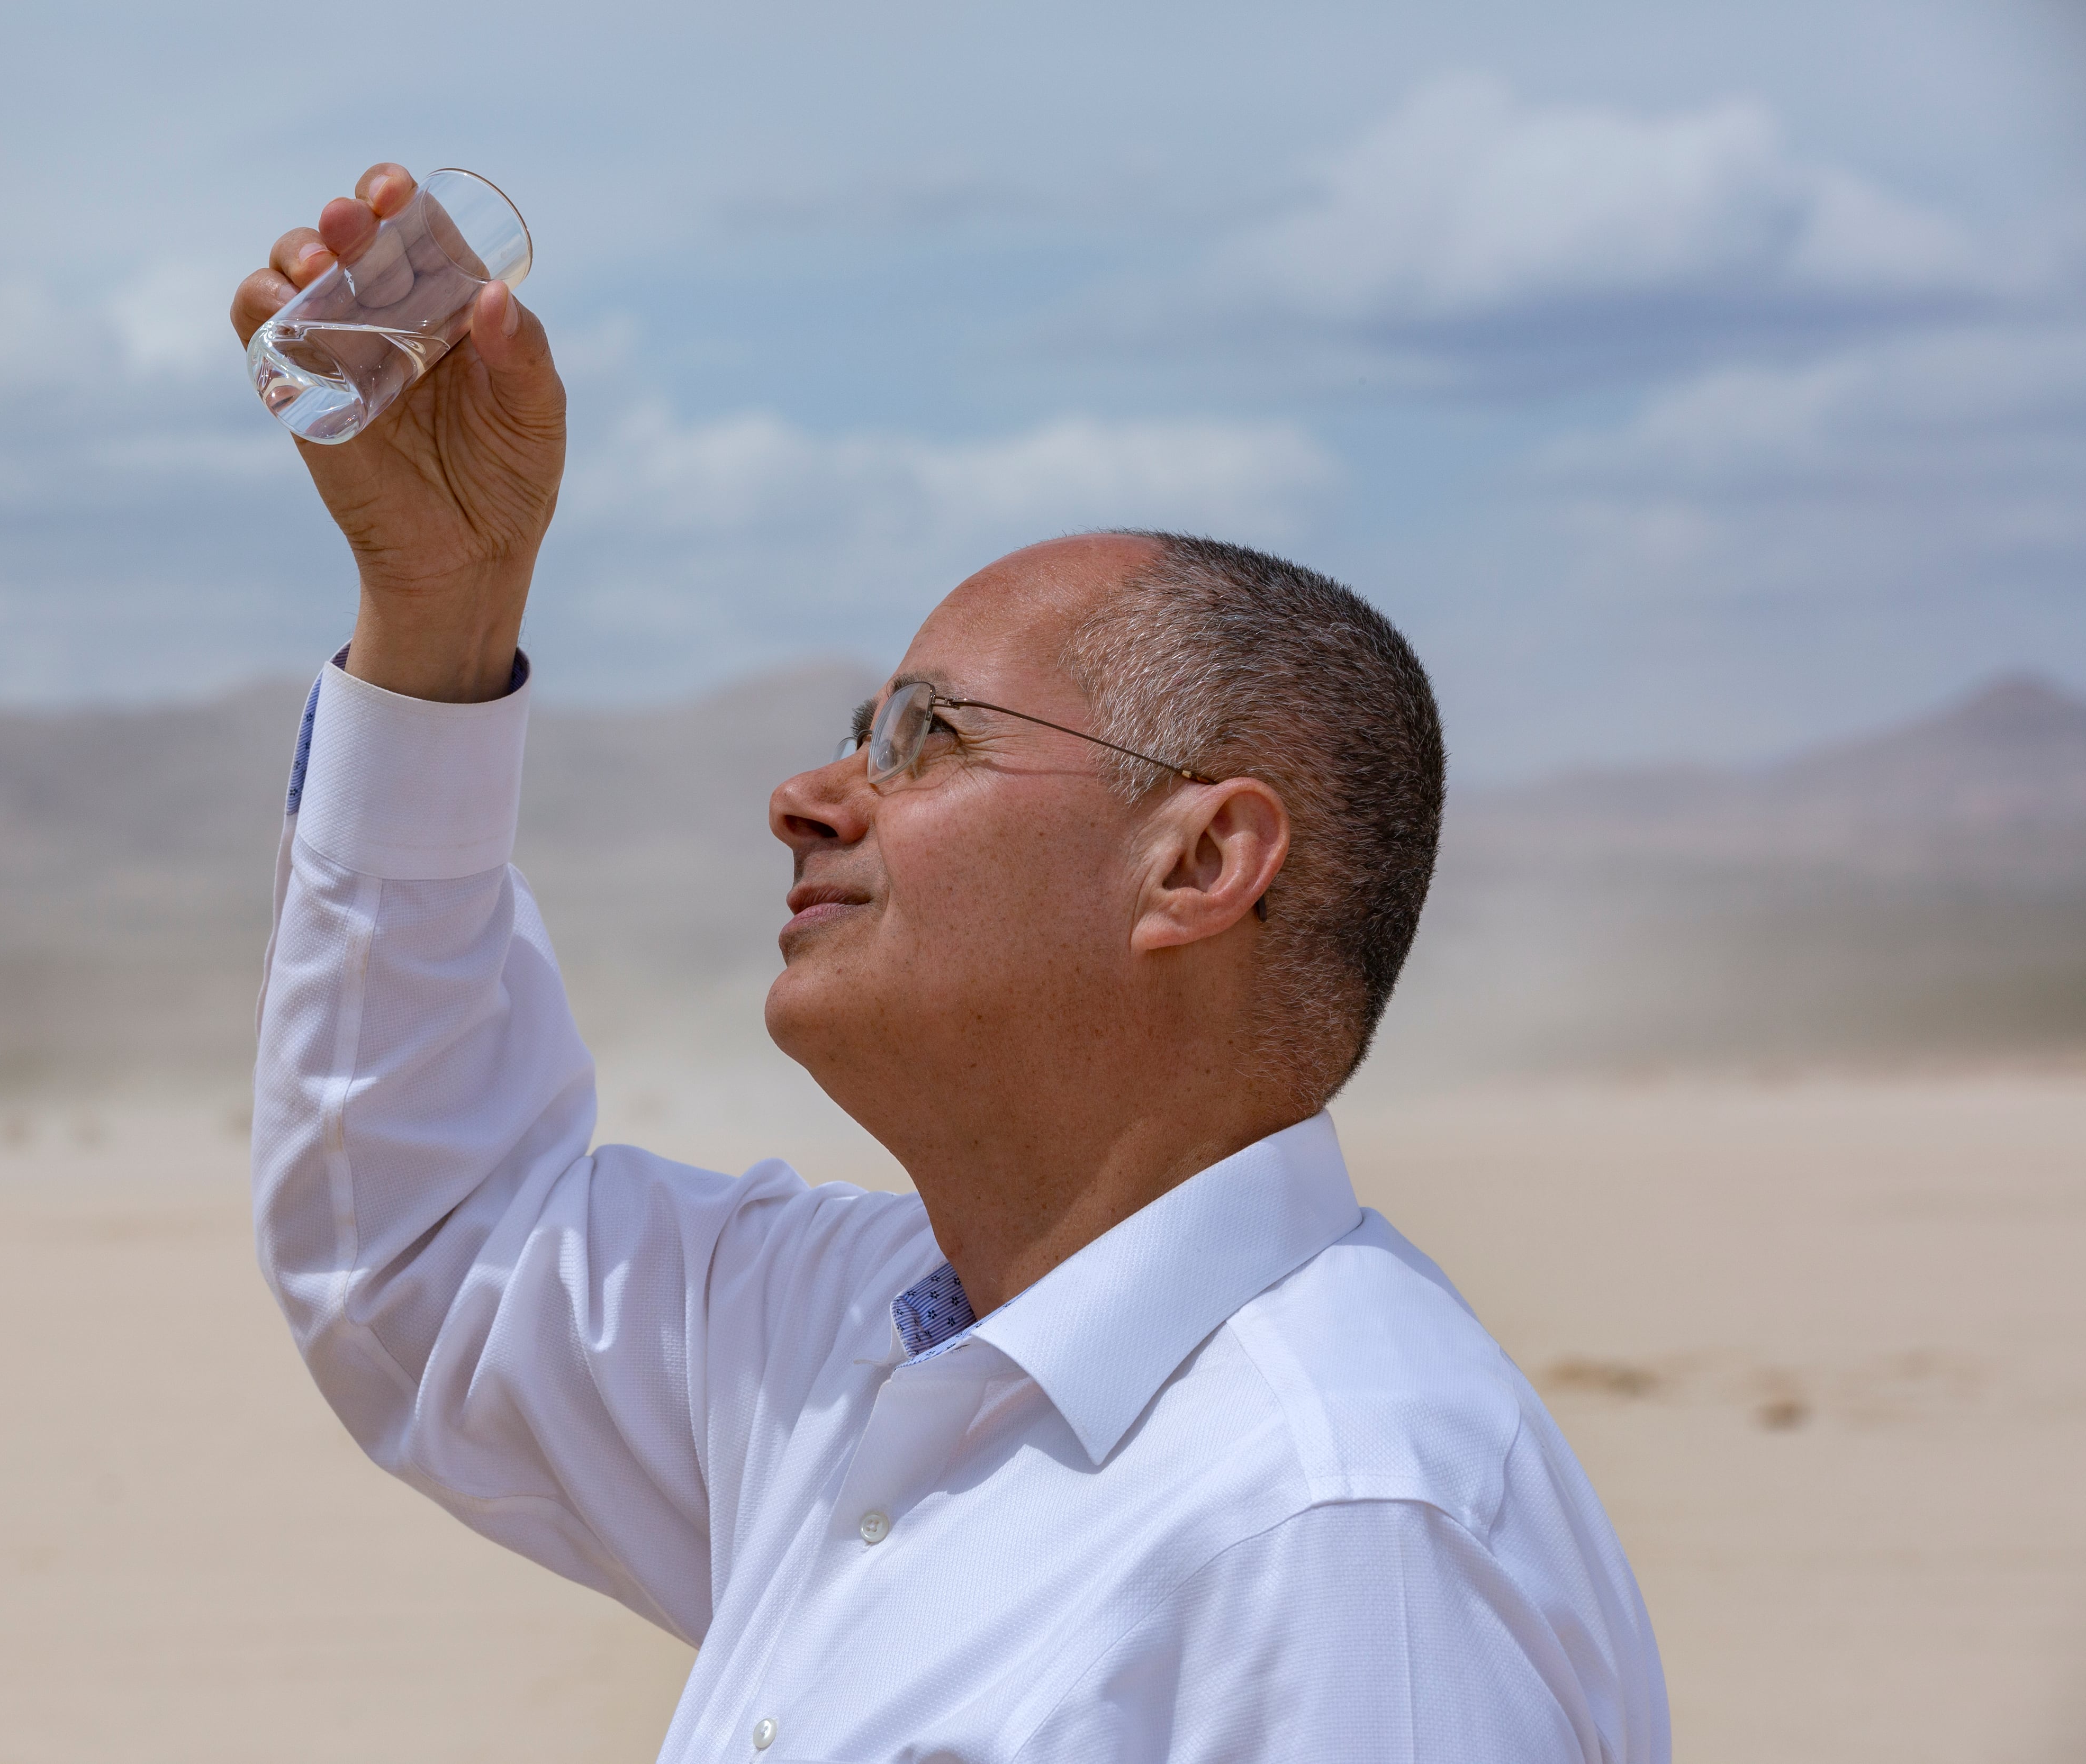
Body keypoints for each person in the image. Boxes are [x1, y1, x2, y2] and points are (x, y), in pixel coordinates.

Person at [233, 163, 1669, 1764]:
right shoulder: (861, 1339)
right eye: (861, 732)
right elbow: (427, 1253)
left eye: (924, 739)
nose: (807, 795)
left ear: (1197, 863)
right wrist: (439, 612)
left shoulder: (1335, 1521)